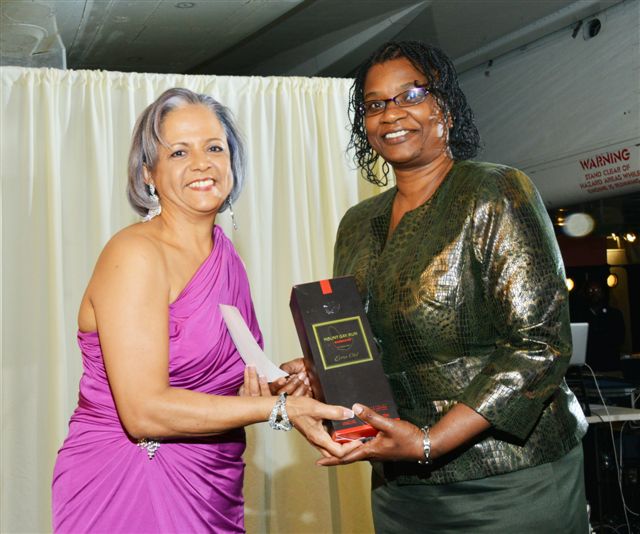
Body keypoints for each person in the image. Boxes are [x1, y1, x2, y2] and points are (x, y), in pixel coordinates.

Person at [51, 88, 358, 533]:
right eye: (179, 152)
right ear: (148, 172)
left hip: (214, 479)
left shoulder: (226, 255)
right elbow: (144, 412)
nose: (202, 163)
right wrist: (278, 409)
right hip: (132, 481)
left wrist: (285, 380)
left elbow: (218, 377)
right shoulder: (135, 255)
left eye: (214, 148)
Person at [319, 41, 590, 533]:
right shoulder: (357, 224)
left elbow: (539, 346)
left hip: (509, 480)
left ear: (443, 105)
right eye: (375, 104)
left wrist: (432, 442)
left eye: (410, 95)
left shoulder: (495, 190)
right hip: (401, 486)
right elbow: (363, 344)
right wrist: (318, 367)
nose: (391, 113)